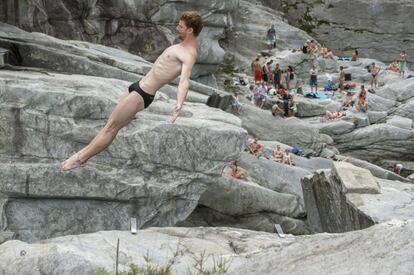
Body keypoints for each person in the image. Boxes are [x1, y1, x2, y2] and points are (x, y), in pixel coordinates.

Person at [61, 11, 203, 171]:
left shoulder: (189, 54)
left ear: (190, 30)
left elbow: (184, 80)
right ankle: (83, 156)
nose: (177, 28)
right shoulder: (180, 46)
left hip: (142, 95)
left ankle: (79, 159)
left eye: (181, 26)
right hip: (137, 86)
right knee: (110, 124)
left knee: (111, 128)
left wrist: (179, 103)